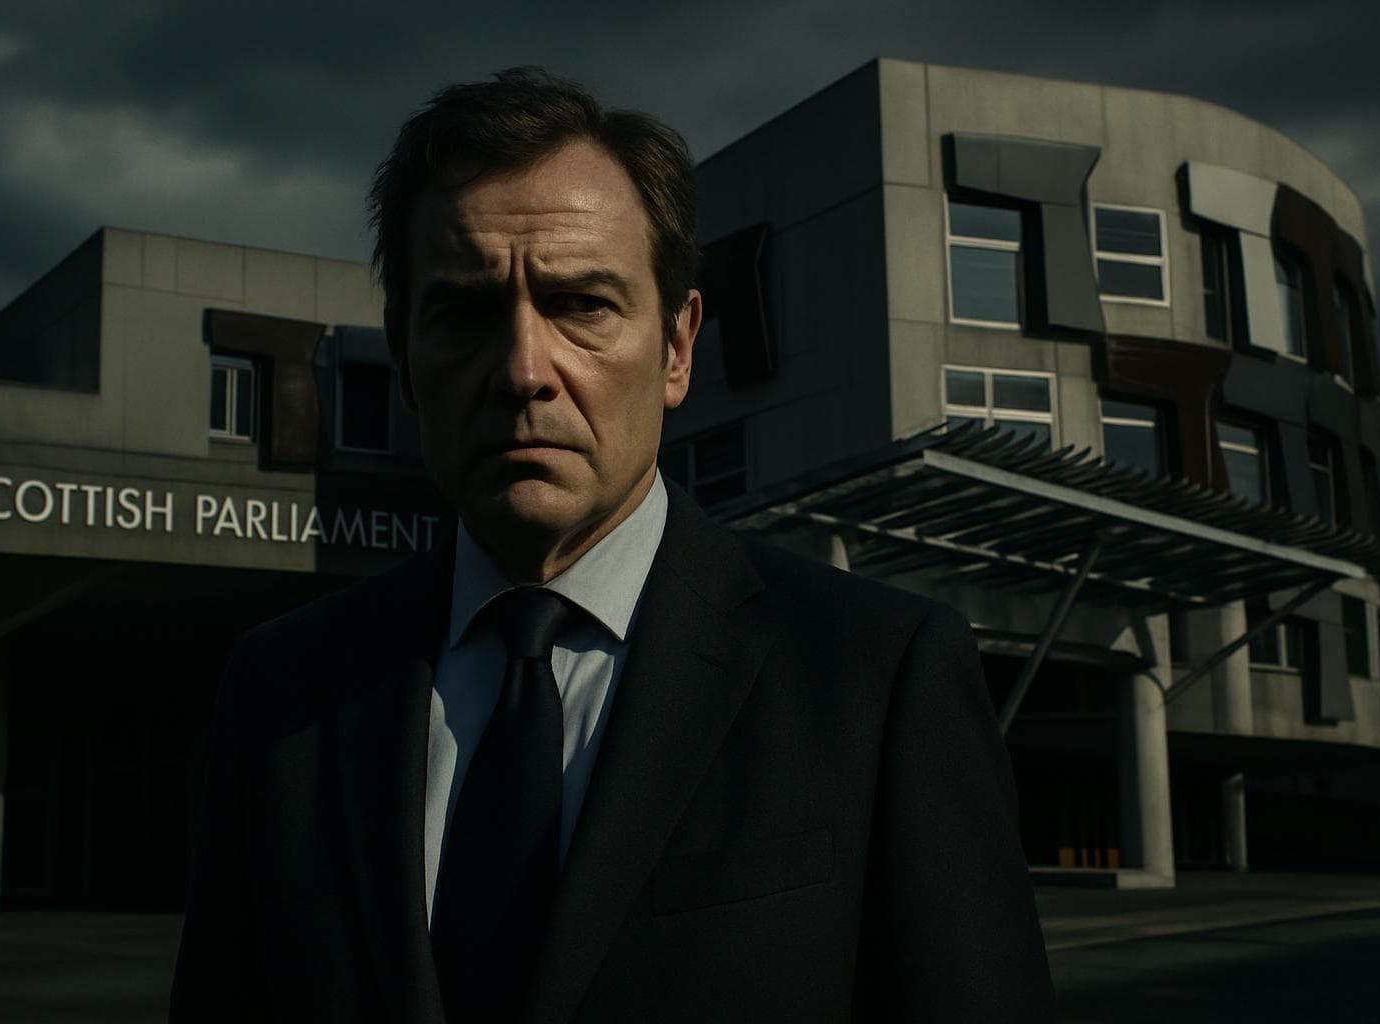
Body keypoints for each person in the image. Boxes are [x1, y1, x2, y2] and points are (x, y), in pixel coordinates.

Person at [170, 67, 1056, 1023]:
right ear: (406, 362)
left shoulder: (874, 680)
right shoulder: (285, 689)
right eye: (464, 314)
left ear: (677, 347)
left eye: (582, 304)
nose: (522, 371)